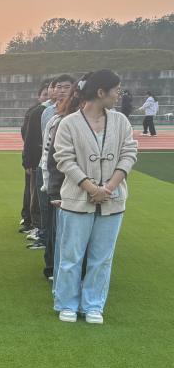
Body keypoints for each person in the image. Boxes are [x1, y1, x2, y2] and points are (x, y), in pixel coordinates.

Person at [52, 70, 137, 324]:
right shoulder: (69, 123)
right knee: (71, 256)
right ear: (101, 92)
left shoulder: (121, 121)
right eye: (116, 90)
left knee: (102, 258)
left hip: (112, 201)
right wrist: (91, 188)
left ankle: (93, 304)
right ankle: (67, 303)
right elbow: (64, 159)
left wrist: (108, 188)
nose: (118, 95)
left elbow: (129, 153)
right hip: (77, 199)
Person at [27, 75, 74, 250]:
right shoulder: (47, 112)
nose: (61, 91)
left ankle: (60, 245)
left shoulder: (76, 113)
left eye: (66, 87)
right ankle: (46, 241)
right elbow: (45, 140)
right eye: (58, 87)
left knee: (63, 209)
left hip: (65, 168)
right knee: (45, 206)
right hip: (45, 165)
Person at [19, 80, 51, 234]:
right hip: (36, 158)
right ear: (39, 97)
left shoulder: (59, 111)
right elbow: (27, 135)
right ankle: (30, 221)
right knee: (33, 192)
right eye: (44, 94)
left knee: (41, 193)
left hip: (47, 158)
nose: (47, 97)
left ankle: (38, 223)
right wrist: (28, 161)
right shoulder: (35, 112)